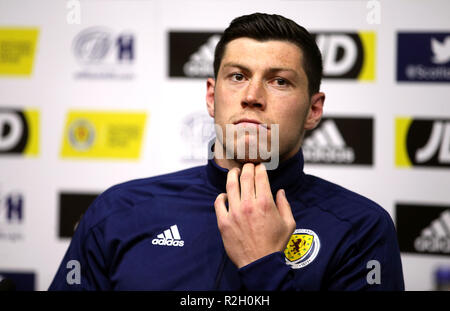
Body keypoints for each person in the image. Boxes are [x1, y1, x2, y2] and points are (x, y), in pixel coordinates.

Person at [49, 13, 404, 290]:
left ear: (314, 109)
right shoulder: (118, 210)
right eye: (237, 76)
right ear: (210, 95)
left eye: (279, 81)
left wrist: (265, 264)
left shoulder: (361, 229)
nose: (252, 96)